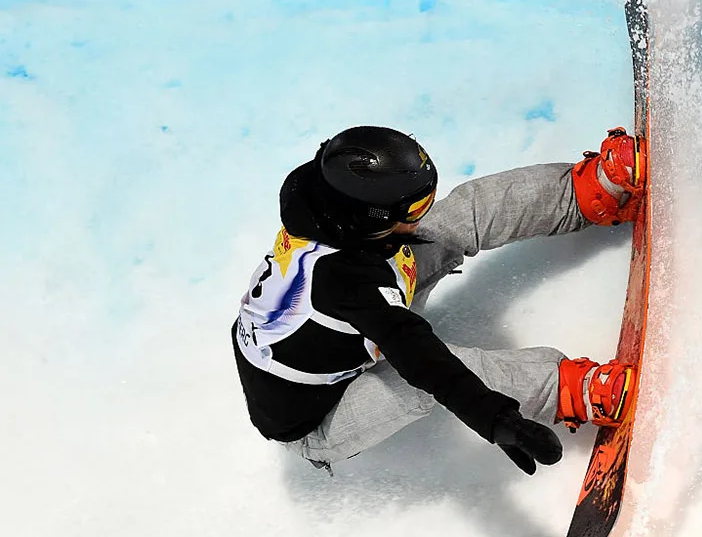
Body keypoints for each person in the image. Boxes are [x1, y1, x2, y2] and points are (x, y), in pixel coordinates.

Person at [230, 125, 646, 475]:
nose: (420, 214)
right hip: (323, 420)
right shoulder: (346, 284)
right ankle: (568, 390)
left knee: (454, 219)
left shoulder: (323, 197)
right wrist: (496, 418)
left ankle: (580, 194)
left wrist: (409, 219)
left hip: (345, 317)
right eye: (413, 208)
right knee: (416, 382)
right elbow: (421, 359)